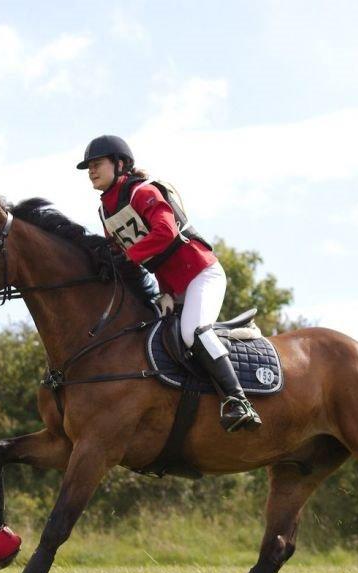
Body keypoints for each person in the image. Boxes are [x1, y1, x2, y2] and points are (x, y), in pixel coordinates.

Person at [77, 134, 262, 432]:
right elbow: (119, 252)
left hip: (201, 273)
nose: (91, 171)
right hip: (172, 288)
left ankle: (238, 400)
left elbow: (166, 232)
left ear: (120, 164)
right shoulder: (105, 211)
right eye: (89, 167)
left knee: (192, 332)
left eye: (97, 164)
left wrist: (129, 257)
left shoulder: (142, 191)